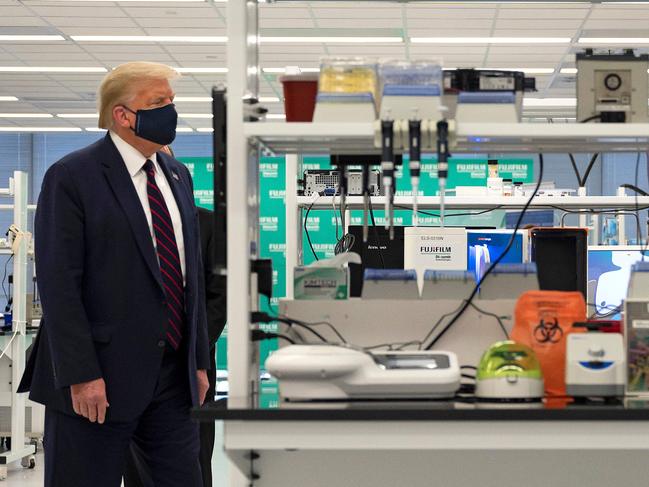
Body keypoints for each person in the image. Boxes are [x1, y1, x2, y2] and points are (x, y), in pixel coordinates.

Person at [18, 61, 210, 487]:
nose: (170, 111)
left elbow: (186, 277)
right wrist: (82, 374)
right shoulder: (72, 177)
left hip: (172, 378)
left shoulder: (176, 175)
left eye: (172, 102)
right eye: (159, 103)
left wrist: (198, 361)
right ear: (123, 116)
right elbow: (59, 285)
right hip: (97, 380)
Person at [124, 200, 227, 487]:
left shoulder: (209, 224)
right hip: (136, 364)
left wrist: (194, 354)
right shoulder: (129, 219)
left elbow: (218, 300)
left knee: (194, 455)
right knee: (136, 460)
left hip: (193, 366)